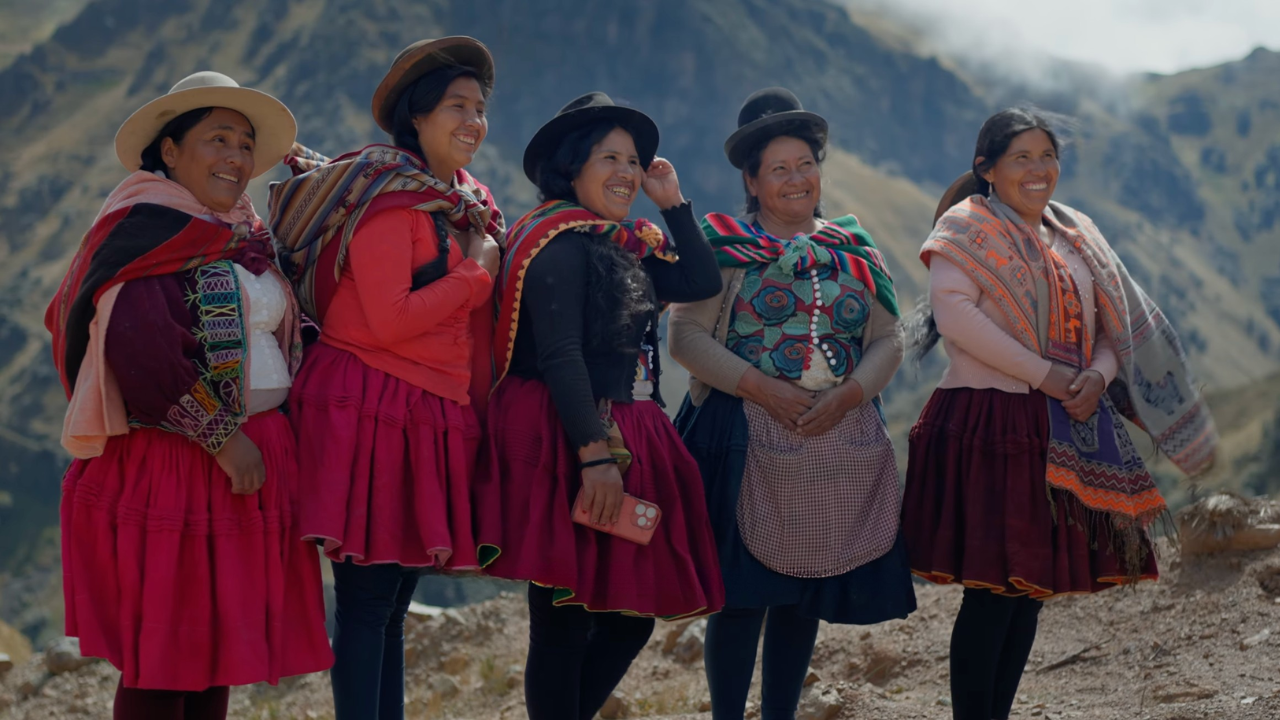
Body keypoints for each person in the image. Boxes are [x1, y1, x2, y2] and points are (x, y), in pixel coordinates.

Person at [901, 106, 1219, 720]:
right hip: (989, 424)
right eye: (1022, 157)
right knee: (992, 590)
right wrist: (1049, 375)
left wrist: (1098, 376)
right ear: (985, 167)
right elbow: (956, 318)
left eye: (1048, 156)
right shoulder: (963, 228)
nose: (1039, 169)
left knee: (1029, 592)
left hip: (1064, 425)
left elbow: (1109, 321)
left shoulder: (1074, 233)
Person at [47, 71, 332, 720]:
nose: (235, 157)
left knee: (216, 657)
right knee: (167, 658)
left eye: (245, 144)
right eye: (217, 139)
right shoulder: (148, 229)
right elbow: (139, 346)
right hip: (183, 466)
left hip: (249, 464)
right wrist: (224, 441)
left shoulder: (241, 234)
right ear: (170, 151)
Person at [267, 37, 504, 720]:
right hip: (367, 405)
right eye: (456, 106)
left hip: (426, 410)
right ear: (418, 117)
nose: (473, 121)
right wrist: (476, 271)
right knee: (369, 604)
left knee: (395, 603)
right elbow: (391, 318)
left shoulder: (465, 203)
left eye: (480, 108)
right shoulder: (389, 200)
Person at [471, 92, 725, 720]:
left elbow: (699, 282)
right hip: (570, 439)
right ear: (571, 168)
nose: (627, 172)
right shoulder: (556, 245)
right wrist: (593, 457)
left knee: (628, 615)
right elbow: (560, 356)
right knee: (562, 613)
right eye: (608, 156)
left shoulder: (621, 244)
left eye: (634, 160)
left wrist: (675, 207)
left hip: (623, 431)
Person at [668, 88, 917, 720]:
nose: (796, 179)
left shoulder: (854, 250)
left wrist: (853, 393)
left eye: (805, 164)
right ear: (751, 181)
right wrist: (759, 385)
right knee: (743, 595)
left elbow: (889, 338)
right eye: (778, 168)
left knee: (802, 589)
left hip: (833, 436)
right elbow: (686, 337)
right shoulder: (719, 246)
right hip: (739, 432)